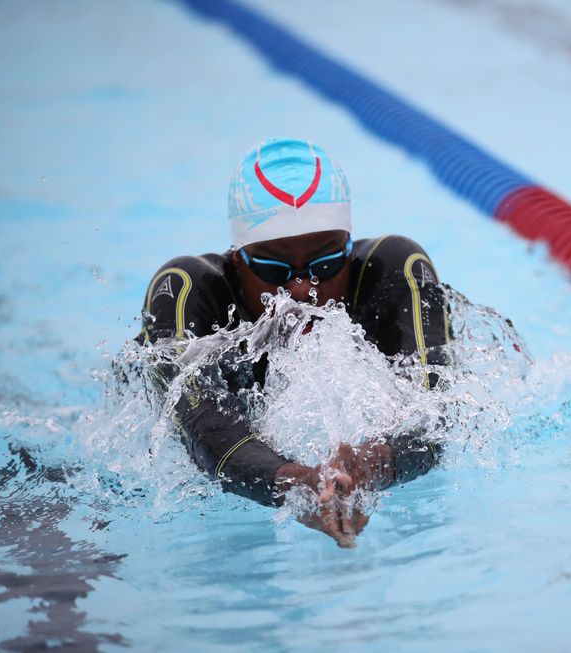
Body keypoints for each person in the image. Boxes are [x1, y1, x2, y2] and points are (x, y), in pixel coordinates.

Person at [137, 138, 450, 546]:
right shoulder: (187, 290)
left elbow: (439, 412)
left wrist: (369, 467)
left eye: (325, 265)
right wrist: (298, 484)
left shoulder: (394, 271)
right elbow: (202, 425)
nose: (301, 289)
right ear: (238, 260)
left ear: (349, 251)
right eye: (271, 269)